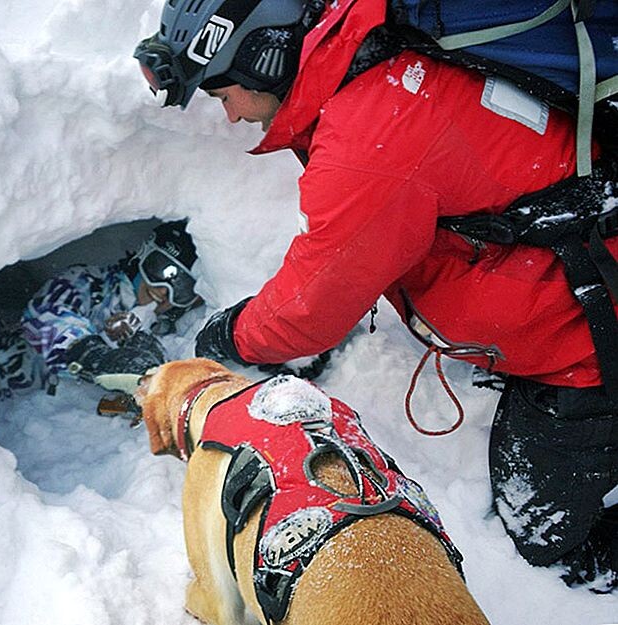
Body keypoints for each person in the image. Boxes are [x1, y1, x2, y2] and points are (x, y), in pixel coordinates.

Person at [134, 0, 618, 591]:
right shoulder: (372, 52)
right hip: (572, 269)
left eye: (222, 94)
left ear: (263, 61)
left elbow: (311, 307)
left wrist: (230, 336)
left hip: (586, 339)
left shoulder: (370, 136)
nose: (230, 116)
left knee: (544, 539)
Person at [0, 220, 202, 402]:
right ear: (144, 255)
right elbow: (45, 315)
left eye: (182, 288)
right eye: (164, 271)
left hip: (39, 430)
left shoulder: (163, 331)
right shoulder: (90, 283)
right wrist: (90, 353)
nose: (164, 291)